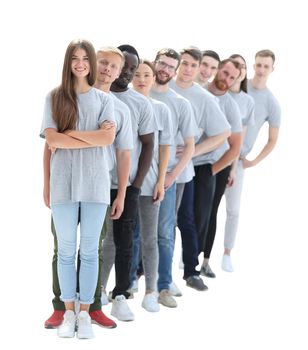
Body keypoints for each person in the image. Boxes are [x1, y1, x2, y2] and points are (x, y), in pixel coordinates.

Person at [43, 46, 130, 331]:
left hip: (95, 185)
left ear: (90, 64)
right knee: (66, 251)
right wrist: (90, 137)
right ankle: (68, 313)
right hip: (62, 184)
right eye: (74, 59)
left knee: (90, 251)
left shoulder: (104, 100)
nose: (80, 64)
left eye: (84, 59)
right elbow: (51, 141)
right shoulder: (54, 97)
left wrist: (68, 134)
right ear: (67, 62)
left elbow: (108, 140)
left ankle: (84, 314)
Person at [100, 45, 155, 321]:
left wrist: (135, 186)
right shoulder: (95, 95)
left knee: (124, 241)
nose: (128, 73)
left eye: (134, 69)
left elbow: (148, 145)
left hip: (125, 184)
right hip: (94, 182)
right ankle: (94, 292)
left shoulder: (140, 104)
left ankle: (120, 294)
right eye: (125, 67)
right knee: (95, 241)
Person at [169, 46, 230, 290]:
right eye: (185, 64)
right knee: (154, 223)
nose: (188, 69)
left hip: (185, 169)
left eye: (194, 65)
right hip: (154, 167)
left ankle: (191, 271)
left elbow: (223, 132)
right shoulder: (160, 86)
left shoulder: (204, 98)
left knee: (186, 220)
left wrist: (195, 150)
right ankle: (142, 271)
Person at [222, 50, 281, 272]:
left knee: (233, 209)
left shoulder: (272, 103)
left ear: (272, 69)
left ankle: (227, 252)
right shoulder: (234, 85)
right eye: (258, 65)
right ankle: (196, 253)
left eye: (266, 66)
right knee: (205, 205)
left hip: (238, 160)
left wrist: (254, 161)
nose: (261, 69)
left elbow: (272, 139)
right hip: (216, 152)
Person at [150, 48, 196, 307]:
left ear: (175, 72)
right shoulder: (140, 93)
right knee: (136, 231)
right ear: (155, 63)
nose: (165, 69)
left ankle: (164, 286)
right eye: (162, 64)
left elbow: (189, 145)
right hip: (141, 176)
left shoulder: (180, 103)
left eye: (170, 67)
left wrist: (171, 177)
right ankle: (134, 281)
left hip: (170, 177)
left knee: (165, 232)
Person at [131, 59, 172, 311]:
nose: (142, 79)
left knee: (150, 238)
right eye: (137, 74)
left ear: (154, 78)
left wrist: (160, 181)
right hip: (122, 183)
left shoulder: (161, 109)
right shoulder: (121, 104)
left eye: (147, 74)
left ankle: (151, 290)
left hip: (149, 185)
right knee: (122, 239)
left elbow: (165, 147)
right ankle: (125, 286)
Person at [197, 59, 243, 278]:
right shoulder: (199, 91)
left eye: (232, 77)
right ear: (217, 70)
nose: (226, 79)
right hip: (189, 159)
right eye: (224, 73)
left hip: (216, 164)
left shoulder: (231, 106)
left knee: (210, 211)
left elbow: (235, 148)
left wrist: (214, 170)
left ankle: (205, 261)